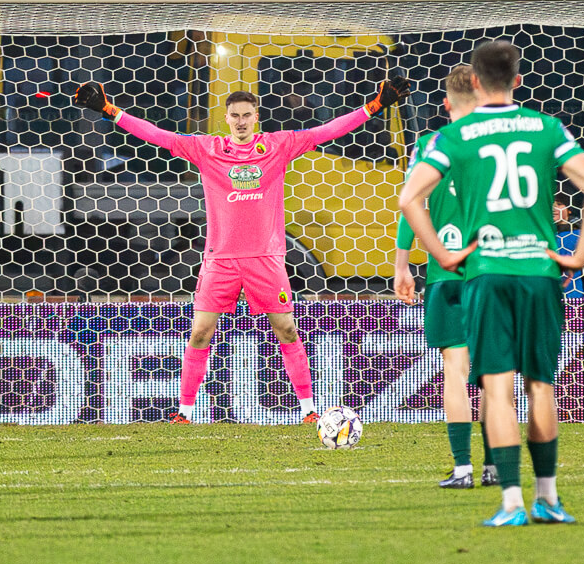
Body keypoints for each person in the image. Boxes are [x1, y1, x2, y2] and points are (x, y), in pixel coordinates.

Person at [76, 74, 410, 423]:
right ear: (226, 117)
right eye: (234, 115)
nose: (240, 121)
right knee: (200, 333)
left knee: (287, 330)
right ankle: (184, 412)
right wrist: (110, 111)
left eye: (246, 115)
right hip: (220, 260)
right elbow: (158, 135)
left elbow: (327, 131)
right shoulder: (207, 149)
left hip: (265, 258)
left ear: (256, 116)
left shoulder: (277, 145)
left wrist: (375, 106)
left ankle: (309, 410)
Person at [399, 40, 584, 526]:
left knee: (497, 389)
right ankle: (548, 498)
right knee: (540, 387)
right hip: (538, 272)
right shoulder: (546, 127)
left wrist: (443, 255)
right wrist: (579, 254)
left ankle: (512, 504)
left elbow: (410, 199)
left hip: (487, 272)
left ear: (474, 82)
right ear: (517, 80)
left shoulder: (454, 135)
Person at [393, 65, 495, 489]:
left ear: (446, 102)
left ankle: (463, 469)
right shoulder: (500, 143)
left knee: (455, 368)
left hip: (445, 271)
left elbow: (412, 204)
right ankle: (493, 467)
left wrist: (402, 265)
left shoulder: (429, 144)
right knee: (493, 372)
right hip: (493, 270)